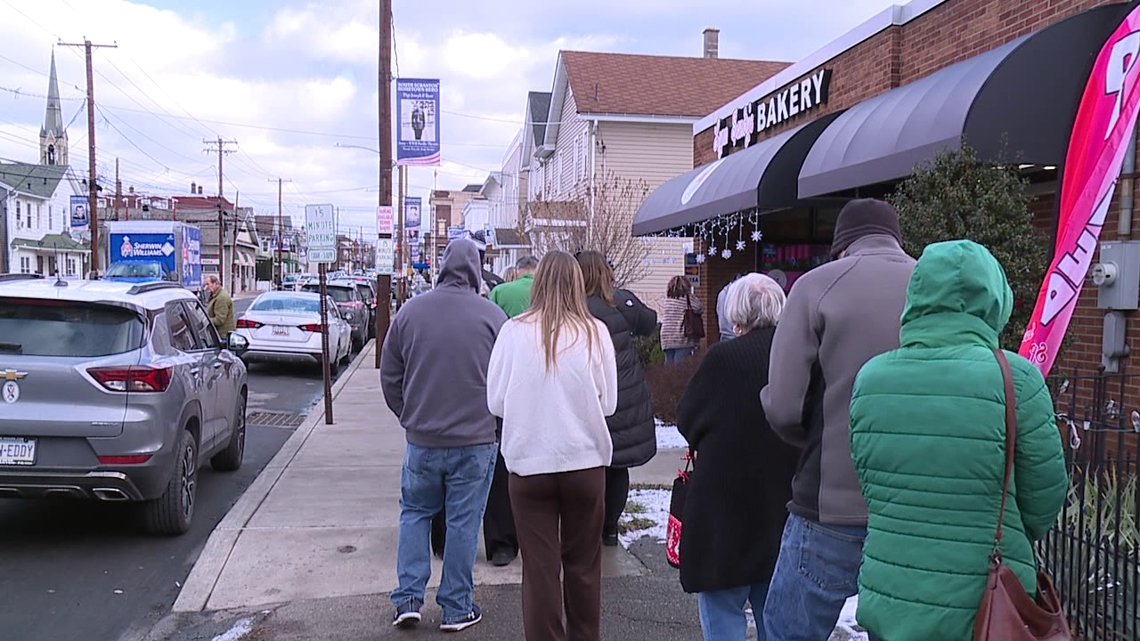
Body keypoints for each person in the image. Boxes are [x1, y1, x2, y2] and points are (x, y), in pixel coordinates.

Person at [848, 240, 1068, 641]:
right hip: (986, 602)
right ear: (996, 299)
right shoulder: (1016, 379)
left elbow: (872, 484)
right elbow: (1044, 498)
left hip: (892, 595)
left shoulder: (871, 378)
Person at [758, 198, 916, 641]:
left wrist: (816, 437)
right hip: (914, 512)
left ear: (842, 246)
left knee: (788, 632)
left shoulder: (815, 286)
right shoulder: (931, 284)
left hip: (829, 504)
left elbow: (784, 407)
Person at [487, 251, 618, 641]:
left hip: (529, 464)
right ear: (577, 283)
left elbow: (495, 400)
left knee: (540, 571)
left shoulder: (513, 332)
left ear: (537, 283)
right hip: (585, 463)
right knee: (584, 567)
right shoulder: (595, 332)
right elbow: (609, 403)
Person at [381, 238, 508, 632]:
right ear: (475, 270)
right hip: (476, 441)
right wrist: (496, 424)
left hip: (423, 439)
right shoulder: (493, 318)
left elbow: (390, 375)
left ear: (442, 268)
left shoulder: (410, 313)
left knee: (415, 513)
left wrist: (409, 415)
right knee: (464, 523)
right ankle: (456, 607)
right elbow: (508, 380)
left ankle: (408, 599)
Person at [677, 274, 799, 641]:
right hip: (782, 502)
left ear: (735, 315)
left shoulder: (721, 359)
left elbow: (687, 418)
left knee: (722, 608)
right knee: (775, 614)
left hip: (724, 509)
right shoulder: (799, 358)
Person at [576, 251, 658, 547]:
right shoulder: (622, 303)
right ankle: (610, 528)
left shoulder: (573, 308)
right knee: (617, 465)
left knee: (587, 465)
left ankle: (586, 524)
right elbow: (650, 323)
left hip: (586, 393)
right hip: (623, 392)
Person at [480, 254, 539, 568]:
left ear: (517, 271)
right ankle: (536, 537)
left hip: (508, 387)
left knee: (503, 465)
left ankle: (503, 544)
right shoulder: (549, 296)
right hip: (543, 391)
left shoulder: (500, 294)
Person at [660, 275, 703, 363]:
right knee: (680, 367)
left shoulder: (668, 300)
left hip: (666, 338)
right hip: (682, 338)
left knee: (669, 367)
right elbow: (699, 308)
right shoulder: (688, 298)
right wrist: (690, 295)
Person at [715, 273, 745, 343]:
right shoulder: (735, 294)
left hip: (724, 332)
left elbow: (718, 311)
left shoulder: (722, 293)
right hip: (734, 334)